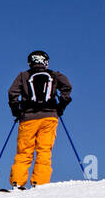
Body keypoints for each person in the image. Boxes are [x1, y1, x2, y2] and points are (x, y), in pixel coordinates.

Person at [8, 50, 73, 189]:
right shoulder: (55, 75)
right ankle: (40, 182)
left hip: (28, 118)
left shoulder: (23, 75)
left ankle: (17, 182)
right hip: (50, 118)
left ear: (30, 62)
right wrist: (61, 106)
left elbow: (12, 93)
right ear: (46, 62)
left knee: (24, 151)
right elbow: (67, 87)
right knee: (44, 150)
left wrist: (16, 111)